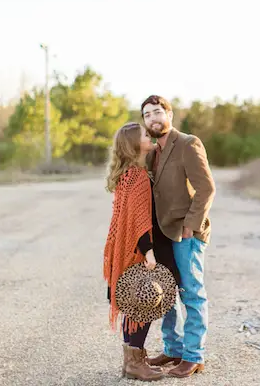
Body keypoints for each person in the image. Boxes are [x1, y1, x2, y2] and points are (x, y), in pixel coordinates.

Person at [141, 95, 216, 378]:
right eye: (147, 115)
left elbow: (207, 189)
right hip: (162, 233)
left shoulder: (187, 143)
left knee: (191, 293)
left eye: (158, 112)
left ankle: (194, 355)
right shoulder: (152, 152)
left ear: (169, 115)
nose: (153, 118)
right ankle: (173, 348)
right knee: (168, 294)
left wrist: (190, 226)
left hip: (186, 234)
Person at [103, 122, 181, 381]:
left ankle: (132, 360)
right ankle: (135, 361)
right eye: (145, 135)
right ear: (135, 145)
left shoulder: (127, 174)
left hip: (126, 251)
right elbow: (138, 221)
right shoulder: (137, 177)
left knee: (132, 304)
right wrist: (148, 254)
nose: (150, 137)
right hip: (141, 250)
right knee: (143, 302)